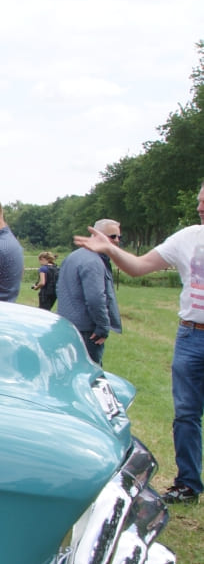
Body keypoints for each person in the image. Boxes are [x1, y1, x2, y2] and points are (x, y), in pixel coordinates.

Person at [74, 181, 204, 504]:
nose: (200, 208)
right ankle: (188, 484)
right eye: (199, 201)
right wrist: (111, 250)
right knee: (186, 413)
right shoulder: (188, 238)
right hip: (191, 334)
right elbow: (139, 266)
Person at [55, 221, 122, 365]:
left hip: (67, 325)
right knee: (89, 375)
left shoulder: (73, 256)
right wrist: (103, 327)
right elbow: (95, 298)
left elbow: (58, 288)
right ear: (96, 235)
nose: (116, 240)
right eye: (112, 236)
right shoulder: (93, 261)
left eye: (119, 237)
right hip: (87, 332)